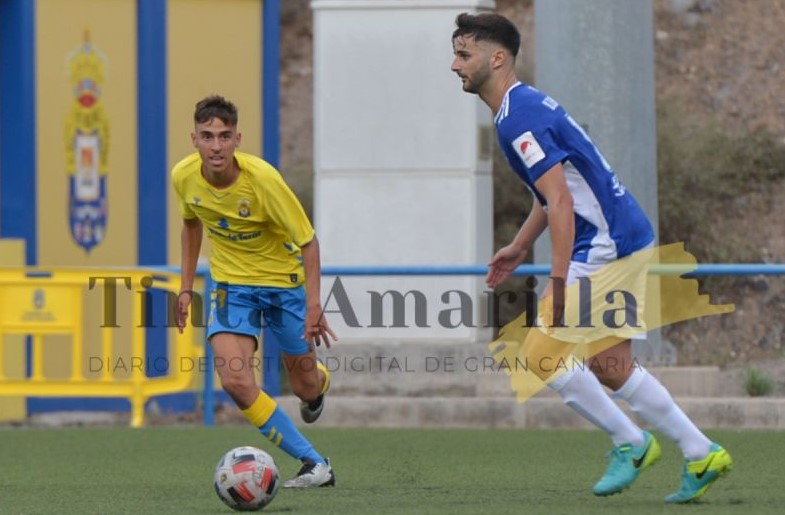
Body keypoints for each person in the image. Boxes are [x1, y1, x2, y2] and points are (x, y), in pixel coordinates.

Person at [451, 13, 732, 503]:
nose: (455, 65)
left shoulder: (517, 117)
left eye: (463, 54)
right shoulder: (522, 105)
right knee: (610, 364)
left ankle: (631, 442)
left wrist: (558, 282)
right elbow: (554, 195)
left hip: (603, 243)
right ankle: (700, 451)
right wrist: (521, 245)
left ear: (496, 59)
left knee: (538, 356)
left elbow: (561, 201)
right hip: (625, 233)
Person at [172, 95, 337, 488]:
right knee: (235, 380)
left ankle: (317, 384)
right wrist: (185, 288)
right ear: (194, 139)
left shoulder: (263, 181)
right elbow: (191, 224)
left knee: (305, 387)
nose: (216, 146)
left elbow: (308, 242)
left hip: (283, 287)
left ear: (237, 139)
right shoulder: (184, 176)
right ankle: (315, 464)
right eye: (207, 136)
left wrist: (314, 304)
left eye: (224, 136)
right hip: (232, 288)